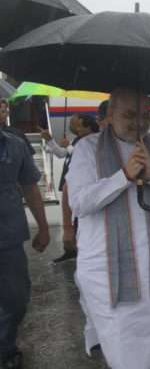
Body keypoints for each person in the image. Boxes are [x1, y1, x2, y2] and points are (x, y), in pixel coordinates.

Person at [67, 88, 150, 369]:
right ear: (109, 116)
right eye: (129, 114)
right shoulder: (88, 148)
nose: (139, 123)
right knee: (122, 347)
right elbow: (79, 202)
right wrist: (123, 176)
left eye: (145, 115)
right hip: (109, 272)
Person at [0, 128, 50, 369]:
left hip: (8, 237)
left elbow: (30, 187)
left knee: (16, 299)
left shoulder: (15, 145)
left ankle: (6, 346)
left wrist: (44, 227)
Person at [41, 114, 99, 264]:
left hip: (82, 187)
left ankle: (83, 252)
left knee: (81, 220)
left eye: (77, 124)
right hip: (70, 185)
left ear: (88, 127)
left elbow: (82, 154)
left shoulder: (93, 140)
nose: (73, 126)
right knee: (70, 221)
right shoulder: (77, 140)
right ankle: (71, 249)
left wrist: (68, 146)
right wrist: (50, 140)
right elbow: (61, 154)